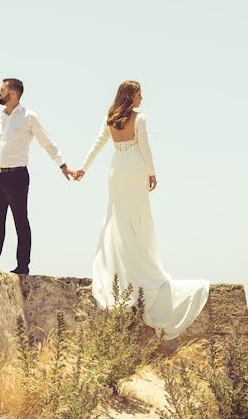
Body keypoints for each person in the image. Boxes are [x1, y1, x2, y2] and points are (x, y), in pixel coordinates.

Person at [73, 80, 209, 339]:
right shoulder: (140, 118)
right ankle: (142, 269)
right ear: (130, 96)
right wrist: (152, 172)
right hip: (134, 167)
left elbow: (97, 145)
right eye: (139, 94)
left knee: (118, 219)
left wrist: (83, 168)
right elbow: (144, 146)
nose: (142, 98)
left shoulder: (110, 119)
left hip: (116, 169)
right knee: (138, 221)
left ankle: (121, 268)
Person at [0, 78, 74, 275]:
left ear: (12, 93)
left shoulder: (28, 116)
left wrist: (62, 164)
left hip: (17, 176)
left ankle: (22, 266)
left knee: (20, 220)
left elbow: (46, 142)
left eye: (2, 89)